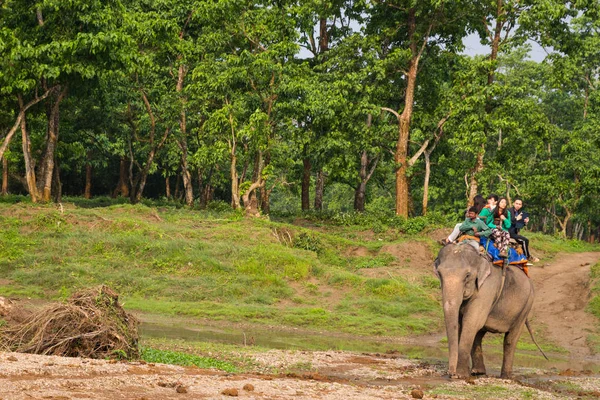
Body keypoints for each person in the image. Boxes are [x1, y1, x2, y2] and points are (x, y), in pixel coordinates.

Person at [509, 199, 539, 263]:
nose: (518, 205)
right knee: (525, 240)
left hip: (515, 232)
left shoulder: (520, 212)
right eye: (516, 203)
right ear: (513, 203)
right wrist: (516, 219)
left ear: (521, 205)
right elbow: (508, 222)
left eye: (519, 204)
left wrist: (525, 222)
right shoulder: (509, 211)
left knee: (524, 240)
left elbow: (520, 225)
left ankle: (525, 256)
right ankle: (527, 256)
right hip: (508, 232)